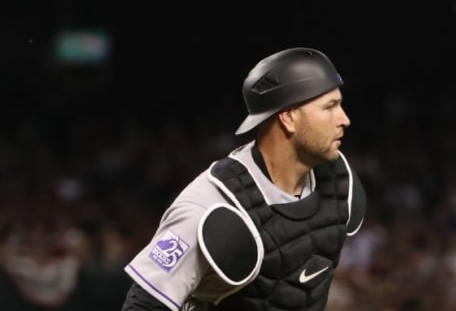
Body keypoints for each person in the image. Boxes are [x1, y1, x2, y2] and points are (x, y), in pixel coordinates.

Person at [121, 47, 367, 311]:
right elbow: (143, 305)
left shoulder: (338, 181)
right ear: (289, 117)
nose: (345, 119)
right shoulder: (211, 207)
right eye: (329, 107)